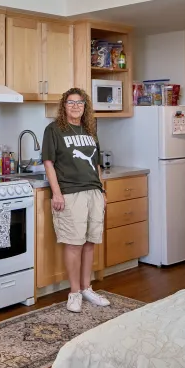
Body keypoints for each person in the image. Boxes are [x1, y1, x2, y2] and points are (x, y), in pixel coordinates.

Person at [41, 88, 111, 312]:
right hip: (70, 193)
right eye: (71, 103)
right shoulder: (54, 130)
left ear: (85, 106)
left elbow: (96, 164)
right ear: (64, 106)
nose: (75, 107)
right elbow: (49, 163)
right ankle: (73, 293)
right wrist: (57, 193)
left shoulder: (90, 129)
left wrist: (101, 190)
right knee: (74, 243)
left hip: (93, 191)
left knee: (90, 242)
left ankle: (86, 288)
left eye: (80, 103)